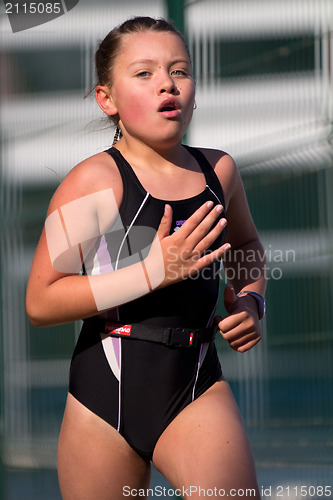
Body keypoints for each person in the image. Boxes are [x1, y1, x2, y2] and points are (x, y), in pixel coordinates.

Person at [26, 16, 267, 500]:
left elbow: (247, 248)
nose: (167, 83)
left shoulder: (220, 171)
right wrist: (152, 272)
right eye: (144, 73)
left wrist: (251, 301)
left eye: (179, 70)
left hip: (196, 385)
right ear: (107, 100)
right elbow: (41, 302)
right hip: (103, 398)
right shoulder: (92, 181)